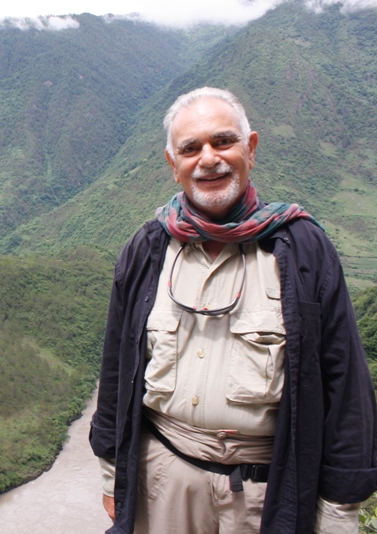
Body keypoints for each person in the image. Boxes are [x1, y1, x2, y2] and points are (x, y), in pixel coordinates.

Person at [90, 86, 377, 533]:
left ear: (251, 148)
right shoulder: (148, 249)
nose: (208, 158)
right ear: (173, 165)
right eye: (190, 148)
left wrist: (340, 509)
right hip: (162, 480)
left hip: (267, 491)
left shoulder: (302, 250)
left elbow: (345, 385)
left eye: (223, 141)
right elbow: (116, 369)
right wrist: (112, 474)